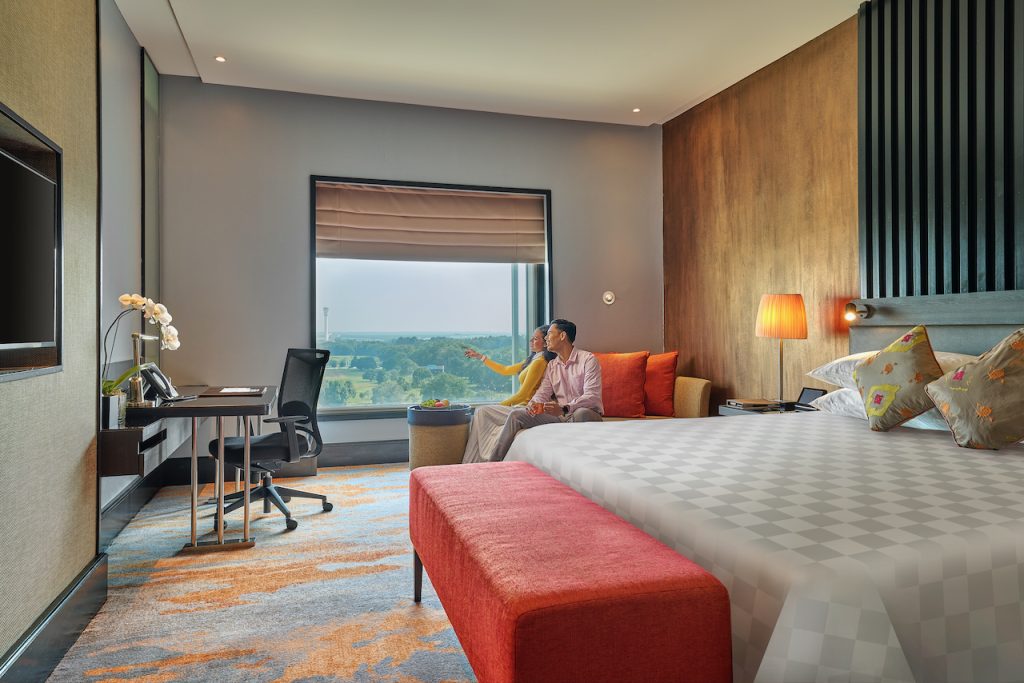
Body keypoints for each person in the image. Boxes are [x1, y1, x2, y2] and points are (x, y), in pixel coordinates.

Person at [488, 318, 603, 462]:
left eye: (549, 334)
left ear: (562, 336)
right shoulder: (552, 365)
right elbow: (542, 393)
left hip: (584, 414)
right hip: (561, 417)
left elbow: (592, 396)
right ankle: (494, 463)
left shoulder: (588, 359)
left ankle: (576, 460)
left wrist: (565, 408)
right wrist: (533, 405)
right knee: (516, 415)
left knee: (581, 413)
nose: (546, 338)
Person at [461, 326, 557, 464]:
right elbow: (505, 370)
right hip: (520, 405)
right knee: (481, 413)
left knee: (482, 412)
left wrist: (499, 405)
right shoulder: (533, 359)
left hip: (526, 407)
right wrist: (480, 357)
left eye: (535, 339)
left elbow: (522, 395)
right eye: (532, 338)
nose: (531, 341)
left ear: (545, 342)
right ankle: (471, 462)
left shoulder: (540, 362)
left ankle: (476, 460)